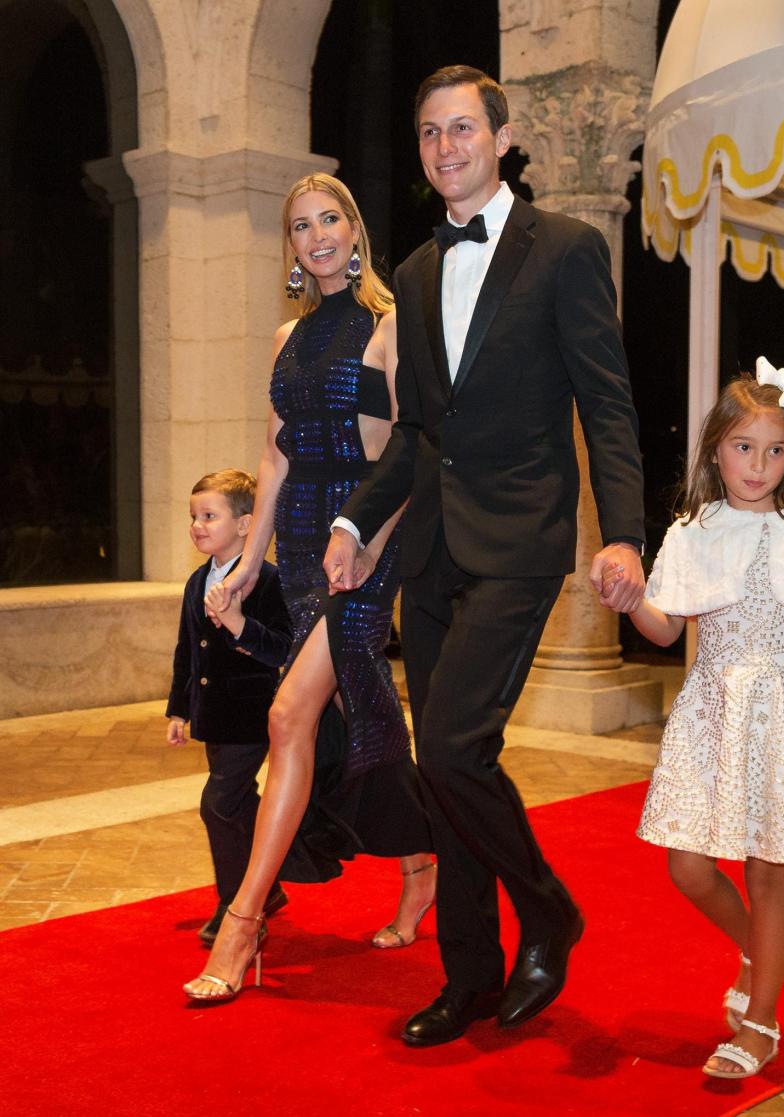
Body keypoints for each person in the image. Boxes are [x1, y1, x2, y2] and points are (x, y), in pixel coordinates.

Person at [323, 65, 647, 1047]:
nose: (445, 146)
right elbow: (421, 431)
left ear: (502, 138)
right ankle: (469, 976)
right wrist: (353, 523)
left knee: (455, 746)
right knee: (450, 763)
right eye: (429, 132)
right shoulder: (416, 274)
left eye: (462, 128)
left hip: (519, 538)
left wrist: (626, 529)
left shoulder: (568, 251)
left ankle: (548, 907)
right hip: (432, 549)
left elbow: (608, 402)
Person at [183, 174, 434, 1004]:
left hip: (362, 535)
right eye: (301, 225)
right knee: (359, 708)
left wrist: (369, 544)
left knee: (290, 712)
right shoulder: (288, 335)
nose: (316, 235)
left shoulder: (391, 323)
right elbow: (276, 456)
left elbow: (408, 449)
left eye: (330, 219)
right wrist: (250, 558)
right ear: (290, 246)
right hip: (296, 548)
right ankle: (422, 862)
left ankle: (244, 918)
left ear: (354, 229)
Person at [606, 362, 784, 1079]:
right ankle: (757, 950)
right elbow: (666, 628)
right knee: (689, 863)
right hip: (713, 711)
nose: (758, 464)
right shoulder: (693, 530)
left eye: (775, 449)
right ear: (714, 450)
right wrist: (630, 595)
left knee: (768, 872)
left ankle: (760, 1020)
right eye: (743, 447)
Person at [166, 469, 292, 945]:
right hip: (213, 716)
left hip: (252, 716)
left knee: (217, 805)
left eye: (209, 516)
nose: (198, 525)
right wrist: (180, 709)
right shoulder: (197, 581)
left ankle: (236, 904)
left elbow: (283, 649)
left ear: (246, 524)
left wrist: (240, 626)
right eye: (193, 517)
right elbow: (187, 650)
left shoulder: (267, 582)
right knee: (239, 805)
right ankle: (271, 889)